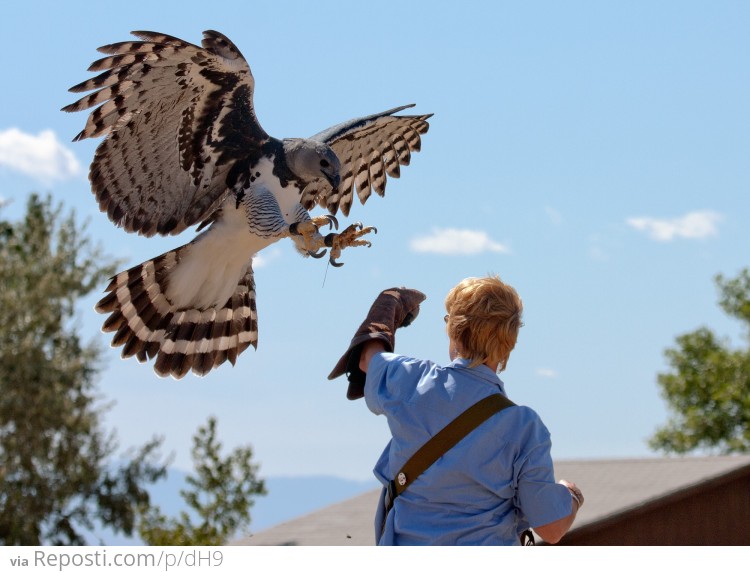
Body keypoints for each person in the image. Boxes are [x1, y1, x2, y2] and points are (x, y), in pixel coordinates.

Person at [329, 276, 584, 545]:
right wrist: (572, 496)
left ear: (453, 329)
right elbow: (552, 529)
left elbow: (368, 358)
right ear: (510, 340)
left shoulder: (411, 381)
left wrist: (387, 308)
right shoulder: (524, 427)